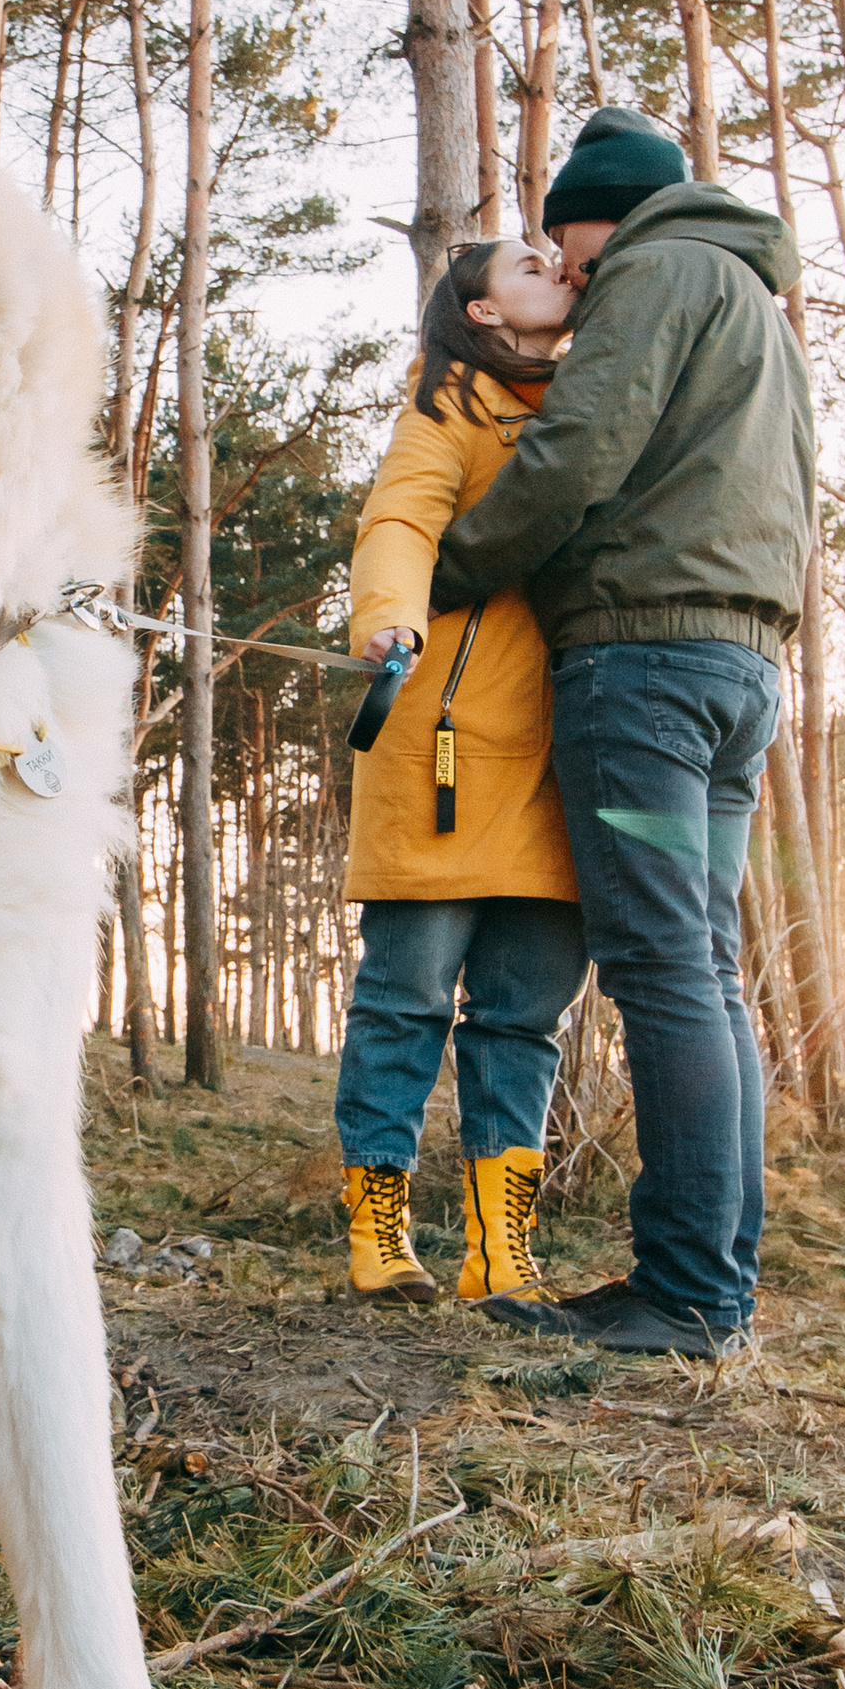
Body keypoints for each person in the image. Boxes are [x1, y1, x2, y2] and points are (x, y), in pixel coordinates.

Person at [431, 107, 816, 1361]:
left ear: (601, 217)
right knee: (699, 970)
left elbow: (575, 447)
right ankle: (707, 1280)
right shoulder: (750, 297)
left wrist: (458, 563)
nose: (570, 274)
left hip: (643, 667)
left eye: (565, 244)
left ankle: (691, 1295)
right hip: (738, 669)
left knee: (663, 972)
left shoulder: (653, 270)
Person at [336, 236, 587, 1310]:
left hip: (563, 763)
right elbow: (399, 515)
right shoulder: (446, 408)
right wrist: (389, 610)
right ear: (483, 315)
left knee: (523, 1017)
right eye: (530, 266)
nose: (559, 269)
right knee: (402, 1003)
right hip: (443, 750)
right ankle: (377, 1235)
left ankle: (500, 1252)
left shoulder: (596, 398)